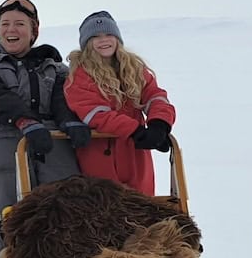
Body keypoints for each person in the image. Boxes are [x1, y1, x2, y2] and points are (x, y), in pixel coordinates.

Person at [0, 0, 91, 254]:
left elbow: (63, 98)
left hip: (51, 143)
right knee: (13, 221)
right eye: (5, 24)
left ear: (34, 30)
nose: (11, 29)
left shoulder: (56, 68)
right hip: (2, 143)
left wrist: (69, 121)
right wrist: (25, 121)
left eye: (19, 23)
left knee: (67, 212)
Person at [64, 11, 176, 197]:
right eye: (96, 36)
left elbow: (155, 96)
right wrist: (135, 131)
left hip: (135, 153)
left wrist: (159, 123)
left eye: (109, 34)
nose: (104, 40)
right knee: (104, 206)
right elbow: (95, 114)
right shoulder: (79, 75)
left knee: (141, 203)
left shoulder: (135, 69)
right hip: (100, 152)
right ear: (87, 43)